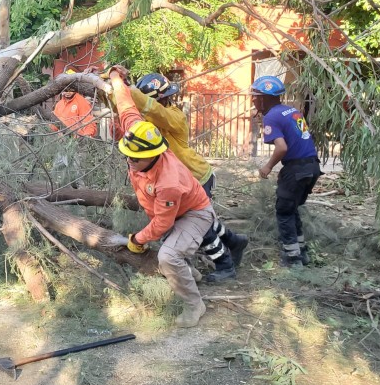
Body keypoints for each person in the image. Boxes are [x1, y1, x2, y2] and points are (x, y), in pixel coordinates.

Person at [108, 67, 219, 328]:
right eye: (127, 154)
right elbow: (126, 106)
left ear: (152, 154)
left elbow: (162, 224)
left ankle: (195, 305)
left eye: (134, 158)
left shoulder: (168, 182)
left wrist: (136, 239)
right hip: (174, 212)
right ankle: (188, 273)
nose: (129, 160)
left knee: (167, 256)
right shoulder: (139, 133)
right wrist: (116, 79)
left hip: (194, 214)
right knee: (171, 253)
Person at [131, 72, 249, 269]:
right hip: (181, 181)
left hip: (197, 177)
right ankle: (234, 241)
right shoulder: (148, 123)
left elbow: (156, 111)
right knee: (205, 221)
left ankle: (224, 264)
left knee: (197, 225)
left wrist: (129, 92)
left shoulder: (173, 116)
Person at [251, 75, 322, 267]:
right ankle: (302, 252)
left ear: (265, 98)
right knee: (292, 210)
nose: (253, 100)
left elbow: (281, 148)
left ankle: (292, 259)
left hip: (296, 169)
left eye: (256, 96)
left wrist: (267, 166)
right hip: (312, 166)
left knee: (283, 212)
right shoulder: (291, 111)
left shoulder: (271, 116)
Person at [52, 68, 98, 138]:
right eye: (65, 90)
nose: (67, 93)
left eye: (70, 90)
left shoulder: (81, 102)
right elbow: (54, 125)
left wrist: (87, 136)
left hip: (77, 141)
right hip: (62, 141)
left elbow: (88, 121)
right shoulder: (59, 104)